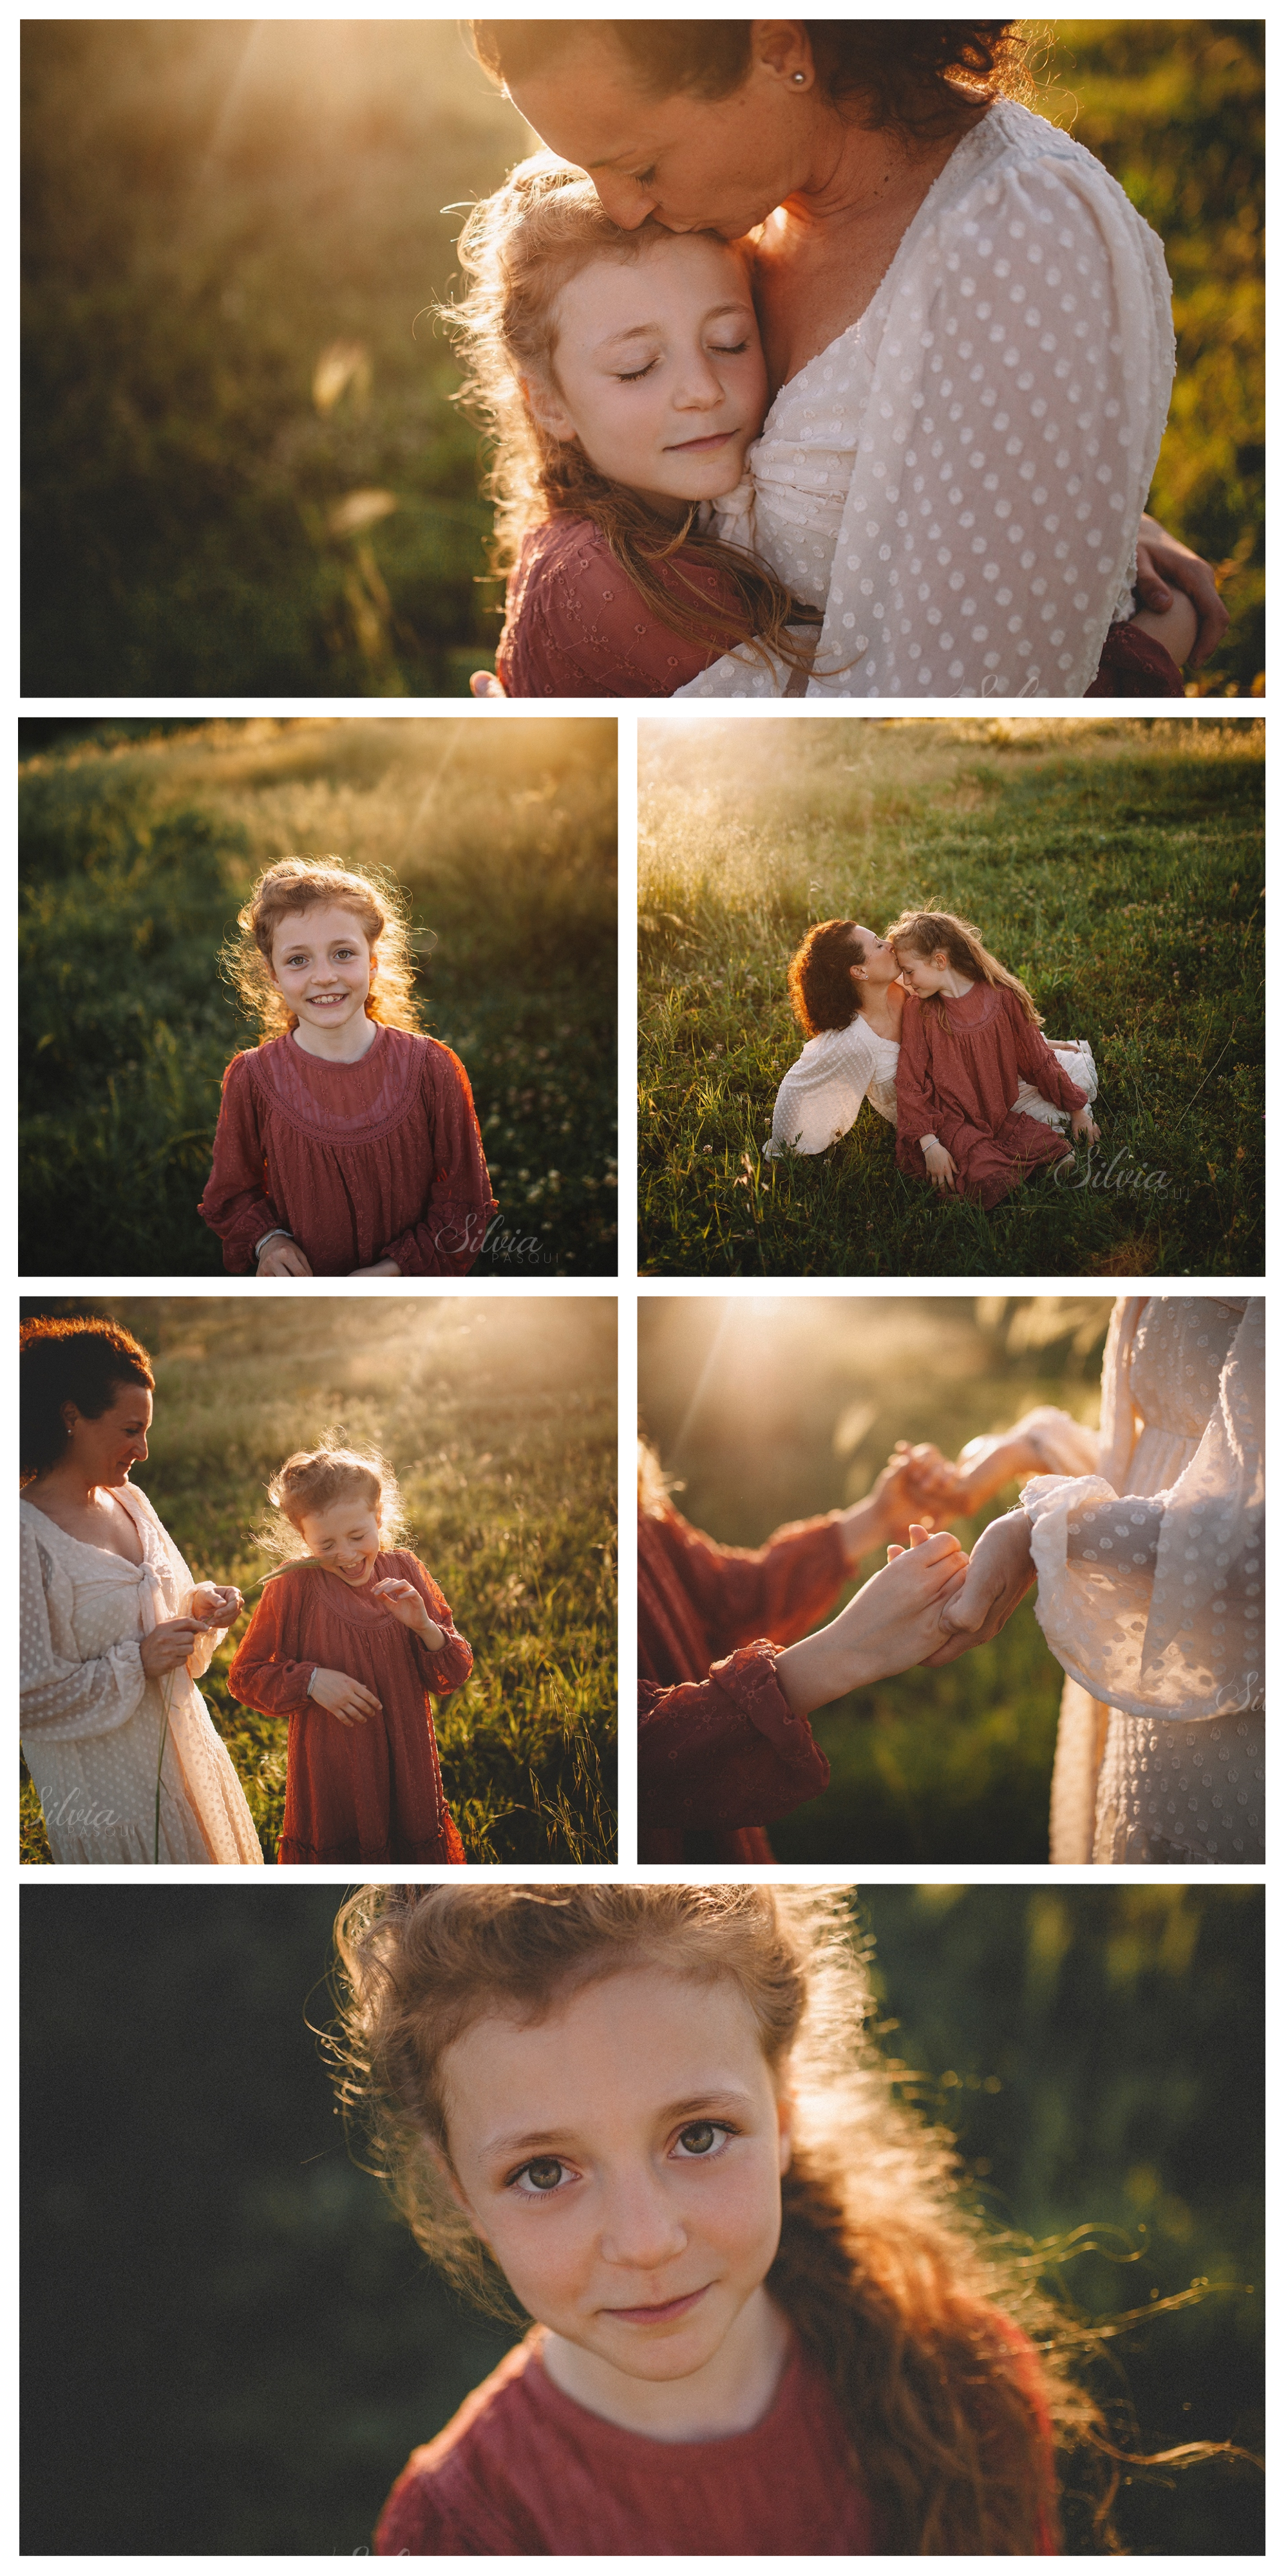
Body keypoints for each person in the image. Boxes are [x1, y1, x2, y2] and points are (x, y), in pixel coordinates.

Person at [469, 19, 1230, 701]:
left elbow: (951, 719)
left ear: (777, 49)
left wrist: (1122, 592)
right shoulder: (738, 212)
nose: (622, 207)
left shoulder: (1017, 234)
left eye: (639, 164)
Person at [334, 1881, 1093, 2552]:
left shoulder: (960, 2385)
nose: (646, 2242)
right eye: (543, 2172)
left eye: (697, 2137)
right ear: (460, 2190)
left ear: (784, 2111)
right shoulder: (464, 2533)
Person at [449, 157, 815, 696]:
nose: (704, 390)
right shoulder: (606, 579)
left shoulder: (616, 529)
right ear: (549, 403)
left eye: (729, 342)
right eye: (637, 367)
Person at [929, 1295, 1265, 1864]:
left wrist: (1048, 1528)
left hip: (1222, 1724)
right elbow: (1172, 1453)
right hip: (1152, 1682)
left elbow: (1253, 1535)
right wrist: (1028, 1450)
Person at [638, 1437, 967, 1861]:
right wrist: (851, 1650)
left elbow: (728, 1600)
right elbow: (620, 1755)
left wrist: (876, 1517)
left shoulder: (625, 1484)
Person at [20, 1316, 262, 1865]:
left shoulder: (130, 1500)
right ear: (71, 1418)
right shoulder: (22, 1536)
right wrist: (138, 1663)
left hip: (193, 1766)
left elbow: (163, 1609)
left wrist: (201, 1605)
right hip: (112, 1803)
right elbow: (23, 1699)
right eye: (131, 1430)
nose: (144, 1450)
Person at [198, 858, 496, 1277]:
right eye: (298, 960)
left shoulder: (433, 1069)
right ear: (273, 976)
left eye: (343, 954)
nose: (324, 977)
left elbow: (464, 1207)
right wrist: (269, 1242)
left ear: (372, 961)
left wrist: (389, 1272)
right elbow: (235, 1193)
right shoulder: (252, 1078)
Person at [227, 1444, 471, 1864]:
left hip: (406, 1765)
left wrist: (423, 1626)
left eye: (358, 1536)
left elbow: (452, 1672)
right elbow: (245, 1677)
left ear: (378, 1518)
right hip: (335, 1770)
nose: (345, 1554)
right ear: (303, 1538)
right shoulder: (291, 1590)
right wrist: (312, 1680)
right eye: (326, 1543)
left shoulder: (406, 1571)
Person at [766, 916, 1095, 1163]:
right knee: (991, 1146)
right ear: (859, 972)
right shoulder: (851, 1040)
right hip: (932, 1116)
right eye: (878, 944)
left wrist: (1041, 1042)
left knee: (1061, 1085)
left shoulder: (909, 986)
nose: (889, 946)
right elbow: (799, 1085)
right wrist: (780, 1150)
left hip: (976, 1080)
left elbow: (970, 1026)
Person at [888, 909, 1099, 1206]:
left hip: (999, 1115)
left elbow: (1038, 1059)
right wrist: (929, 1142)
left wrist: (1077, 1110)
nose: (906, 982)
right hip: (950, 1120)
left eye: (909, 971)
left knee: (1059, 1151)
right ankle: (978, 1176)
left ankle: (996, 1168)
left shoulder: (1002, 996)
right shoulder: (920, 1011)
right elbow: (910, 1080)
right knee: (985, 1177)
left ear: (939, 961)